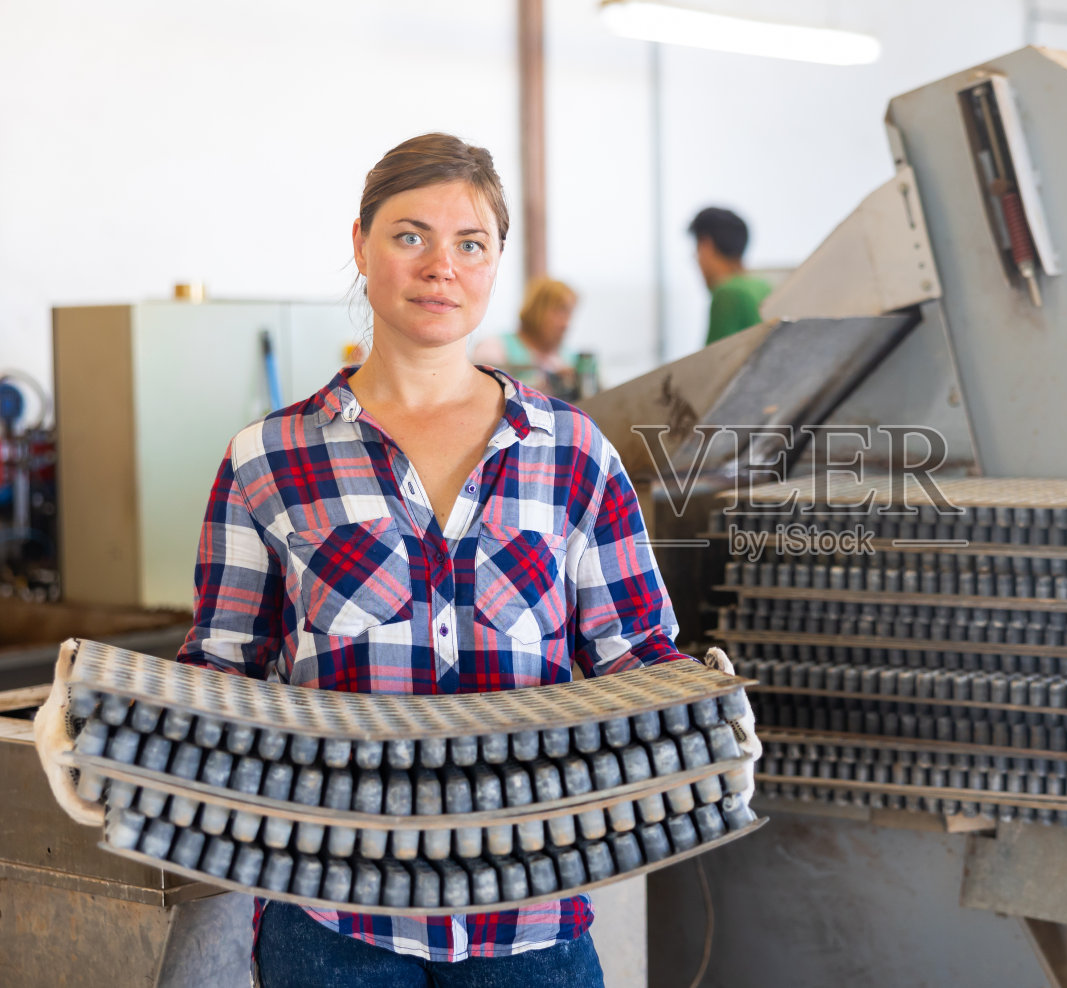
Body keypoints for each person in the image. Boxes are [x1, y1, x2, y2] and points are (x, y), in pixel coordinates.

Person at [158, 133, 750, 986]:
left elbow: (636, 660)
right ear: (359, 245)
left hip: (534, 921)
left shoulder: (574, 454)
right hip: (332, 920)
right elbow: (221, 676)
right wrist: (125, 735)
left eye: (470, 243)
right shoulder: (269, 459)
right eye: (410, 235)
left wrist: (706, 712)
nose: (442, 265)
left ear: (497, 260)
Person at [471, 277, 579, 400]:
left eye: (569, 313)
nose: (566, 324)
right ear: (537, 310)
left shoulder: (569, 359)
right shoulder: (495, 348)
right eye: (560, 311)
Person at [688, 206, 770, 346]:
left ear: (706, 245)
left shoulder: (727, 294)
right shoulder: (762, 285)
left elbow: (712, 364)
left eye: (697, 249)